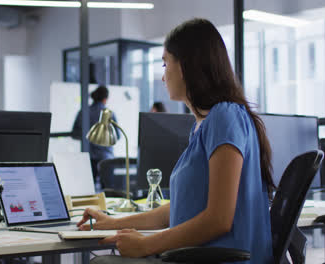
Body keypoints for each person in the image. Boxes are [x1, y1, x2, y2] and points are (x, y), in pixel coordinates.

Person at [77, 18, 274, 264]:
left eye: (164, 63)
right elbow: (174, 211)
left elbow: (219, 220)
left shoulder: (225, 117)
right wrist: (113, 223)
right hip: (198, 256)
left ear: (185, 66)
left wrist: (145, 245)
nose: (163, 76)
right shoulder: (205, 126)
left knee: (102, 262)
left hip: (217, 259)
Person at [72, 85, 119, 187]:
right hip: (106, 157)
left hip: (89, 157)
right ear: (105, 99)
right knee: (108, 191)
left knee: (88, 189)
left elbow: (74, 134)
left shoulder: (84, 112)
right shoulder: (109, 114)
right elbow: (117, 136)